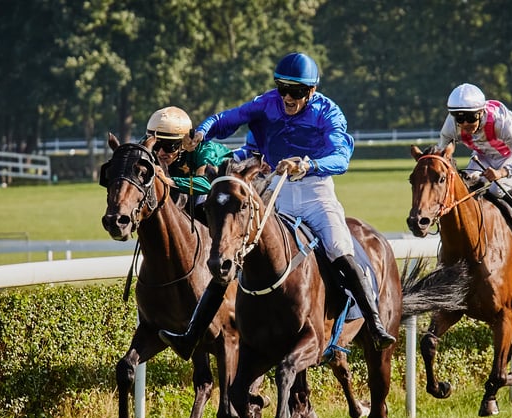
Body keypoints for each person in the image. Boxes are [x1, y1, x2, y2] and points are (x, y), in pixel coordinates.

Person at [158, 52, 395, 360]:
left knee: (338, 247)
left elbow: (341, 157)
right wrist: (201, 133)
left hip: (315, 192)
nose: (287, 97)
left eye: (296, 91)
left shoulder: (328, 113)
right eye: (282, 88)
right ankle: (191, 335)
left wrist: (307, 165)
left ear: (312, 91)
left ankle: (374, 326)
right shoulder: (267, 103)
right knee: (234, 248)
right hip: (275, 189)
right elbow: (227, 119)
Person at [437, 83, 512, 244]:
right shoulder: (451, 124)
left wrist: (502, 172)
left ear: (481, 112)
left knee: (496, 190)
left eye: (470, 117)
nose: (464, 124)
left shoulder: (501, 123)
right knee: (465, 186)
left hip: (509, 155)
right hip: (482, 155)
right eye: (460, 118)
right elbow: (440, 153)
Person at [143, 106, 231, 221]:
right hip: (187, 181)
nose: (161, 152)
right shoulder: (147, 143)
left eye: (169, 146)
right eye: (156, 145)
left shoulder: (204, 150)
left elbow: (206, 184)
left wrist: (168, 181)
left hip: (220, 186)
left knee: (201, 205)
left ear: (185, 141)